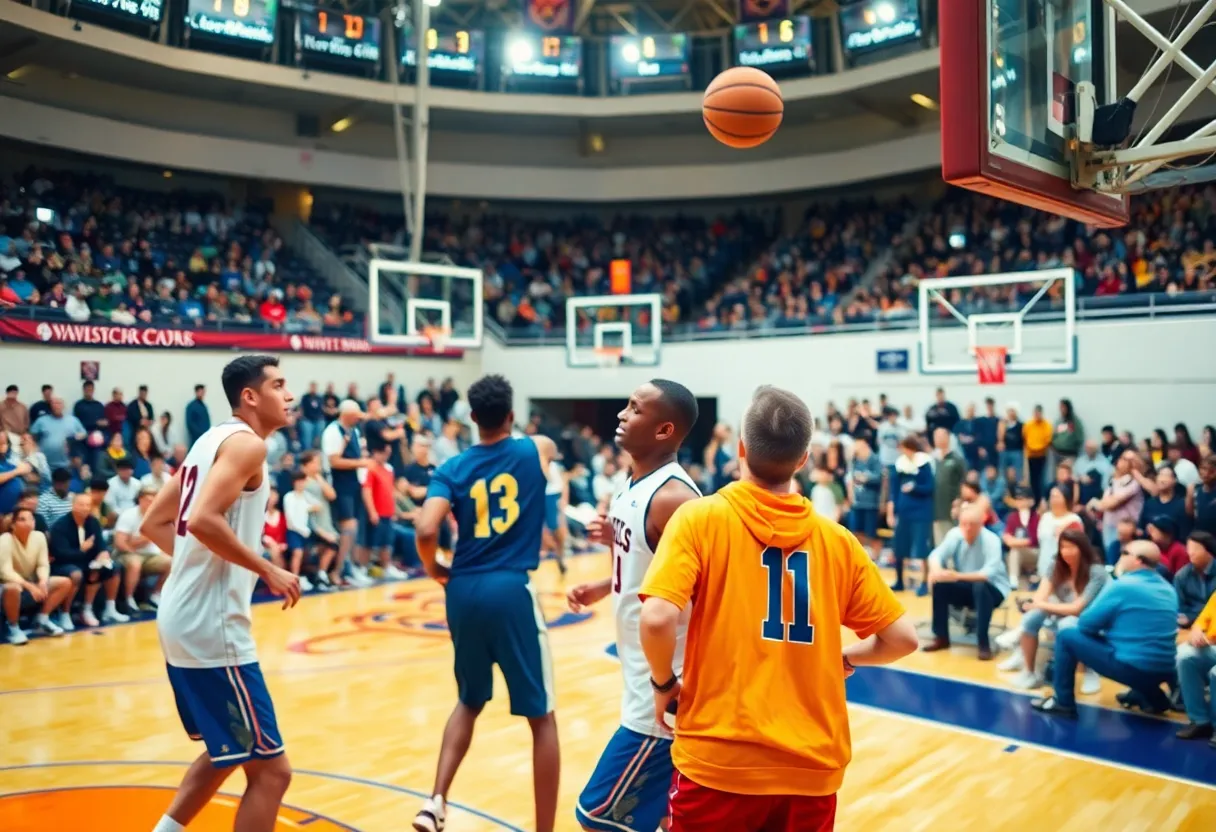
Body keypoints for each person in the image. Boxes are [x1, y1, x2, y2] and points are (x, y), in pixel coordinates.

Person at [638, 385, 918, 831]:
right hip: (812, 767)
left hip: (719, 759)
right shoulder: (838, 541)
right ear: (804, 459)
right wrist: (844, 658)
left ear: (741, 449)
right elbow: (902, 639)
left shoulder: (699, 518)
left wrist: (662, 683)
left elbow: (655, 618)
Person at [136, 355, 301, 832]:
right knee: (272, 771)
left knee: (227, 747)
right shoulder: (249, 446)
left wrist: (200, 566)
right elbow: (204, 520)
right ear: (250, 396)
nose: (288, 395)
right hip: (212, 626)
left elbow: (155, 523)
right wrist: (267, 569)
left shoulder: (210, 439)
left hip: (181, 616)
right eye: (278, 385)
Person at [410, 375, 560, 832]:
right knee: (542, 716)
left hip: (463, 590)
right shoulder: (534, 450)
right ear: (511, 415)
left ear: (471, 418)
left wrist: (435, 570)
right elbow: (545, 446)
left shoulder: (451, 468)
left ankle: (435, 802)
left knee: (469, 699)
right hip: (510, 588)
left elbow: (425, 527)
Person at [566, 380, 701, 832]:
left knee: (597, 815)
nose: (622, 415)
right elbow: (656, 569)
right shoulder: (633, 483)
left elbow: (702, 592)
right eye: (625, 405)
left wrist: (671, 680)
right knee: (663, 818)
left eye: (635, 409)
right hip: (641, 676)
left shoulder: (675, 500)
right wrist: (607, 584)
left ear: (664, 430)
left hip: (664, 687)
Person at [1031, 540, 1179, 718]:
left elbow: (1087, 624)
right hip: (1164, 668)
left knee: (1066, 635)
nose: (1120, 556)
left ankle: (1063, 702)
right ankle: (1154, 698)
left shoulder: (1123, 585)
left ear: (1139, 561)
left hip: (1132, 667)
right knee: (1138, 652)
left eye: (1125, 553)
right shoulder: (1169, 589)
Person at [997, 529, 1107, 692]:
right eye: (1063, 547)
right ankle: (1029, 672)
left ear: (1083, 548)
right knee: (1031, 618)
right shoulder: (1056, 566)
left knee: (1067, 624)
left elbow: (1077, 608)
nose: (1066, 552)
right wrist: (1040, 606)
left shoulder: (1096, 572)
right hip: (1059, 610)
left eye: (1071, 547)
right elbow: (1040, 597)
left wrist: (1041, 605)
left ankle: (1091, 671)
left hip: (1092, 617)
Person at [921, 506, 1012, 661]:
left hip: (994, 589)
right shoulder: (955, 535)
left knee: (980, 586)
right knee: (940, 586)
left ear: (981, 524)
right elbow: (936, 554)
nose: (968, 528)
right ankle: (941, 637)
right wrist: (936, 571)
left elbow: (986, 574)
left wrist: (956, 575)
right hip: (966, 585)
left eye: (972, 524)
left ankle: (983, 642)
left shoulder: (992, 540)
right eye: (964, 523)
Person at [1, 507, 74, 644]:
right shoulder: (5, 539)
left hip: (31, 584)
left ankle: (42, 619)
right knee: (12, 587)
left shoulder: (39, 537)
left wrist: (42, 581)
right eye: (22, 519)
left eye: (30, 519)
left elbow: (43, 564)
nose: (28, 522)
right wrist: (29, 586)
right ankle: (13, 627)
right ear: (13, 524)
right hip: (7, 588)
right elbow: (5, 572)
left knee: (65, 582)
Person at [888, 435, 934, 593]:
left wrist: (914, 487)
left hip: (921, 513)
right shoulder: (899, 465)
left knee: (921, 549)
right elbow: (893, 491)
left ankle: (924, 582)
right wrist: (892, 511)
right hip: (904, 513)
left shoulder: (924, 464)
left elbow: (929, 487)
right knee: (900, 547)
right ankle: (900, 580)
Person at [1174, 582, 1216, 744]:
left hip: (1212, 643)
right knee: (1185, 656)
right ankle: (1200, 721)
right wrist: (1197, 632)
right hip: (1212, 645)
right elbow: (1201, 620)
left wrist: (1210, 640)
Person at [1175, 531, 1216, 629]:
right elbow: (1180, 607)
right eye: (1188, 549)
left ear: (1209, 551)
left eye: (1196, 549)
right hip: (1190, 625)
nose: (1191, 553)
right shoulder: (1182, 575)